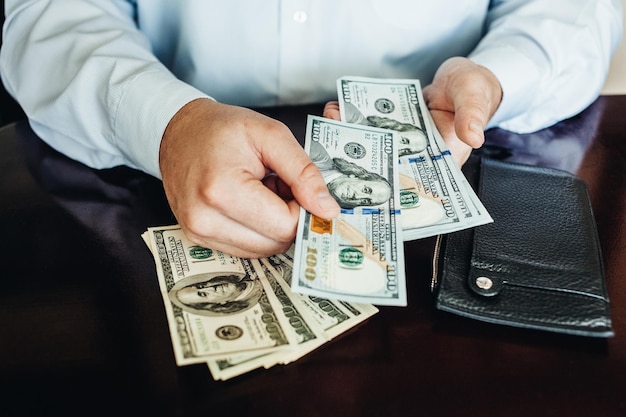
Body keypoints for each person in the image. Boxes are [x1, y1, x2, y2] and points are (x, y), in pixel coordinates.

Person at [1, 1, 622, 259]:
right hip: (144, 169)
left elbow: (572, 10)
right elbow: (50, 12)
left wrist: (493, 77)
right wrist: (166, 124)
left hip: (453, 161)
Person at [309, 140, 392, 209]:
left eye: (365, 201)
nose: (357, 197)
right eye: (365, 190)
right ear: (355, 175)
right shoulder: (317, 156)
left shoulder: (322, 209)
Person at [168, 272, 263, 316]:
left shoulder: (244, 275)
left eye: (200, 286)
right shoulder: (254, 297)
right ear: (218, 303)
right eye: (204, 294)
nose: (210, 288)